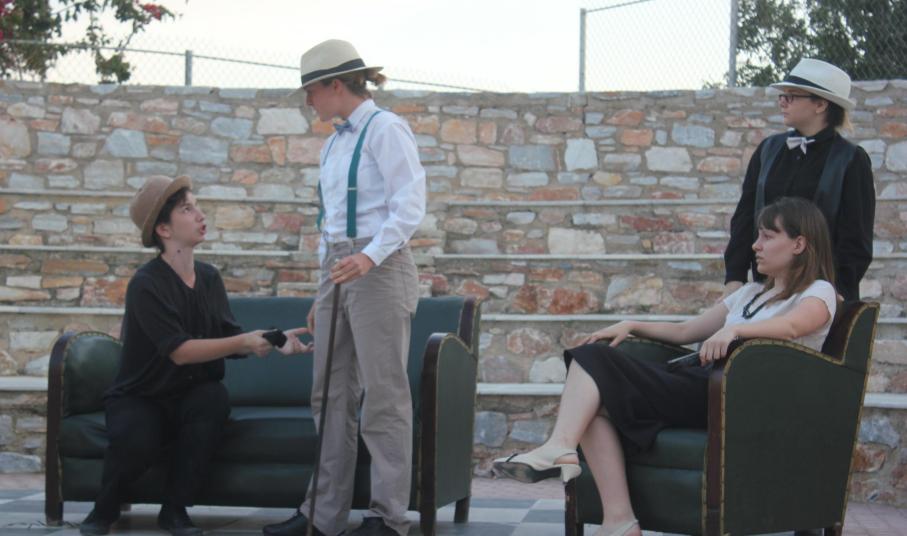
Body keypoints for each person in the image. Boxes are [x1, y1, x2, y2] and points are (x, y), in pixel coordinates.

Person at [494, 197, 839, 536]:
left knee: (596, 360)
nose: (755, 245)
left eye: (767, 236)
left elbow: (793, 326)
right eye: (758, 235)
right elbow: (685, 331)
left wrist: (735, 331)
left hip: (737, 396)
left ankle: (559, 447)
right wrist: (632, 324)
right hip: (700, 383)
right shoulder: (749, 293)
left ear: (798, 244)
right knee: (595, 406)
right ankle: (619, 520)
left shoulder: (820, 292)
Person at [79, 176, 310, 536]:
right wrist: (243, 342)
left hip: (192, 394)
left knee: (212, 398)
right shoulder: (146, 284)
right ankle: (104, 508)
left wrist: (273, 340)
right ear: (164, 229)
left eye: (196, 206)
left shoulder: (208, 277)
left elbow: (228, 335)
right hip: (142, 396)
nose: (200, 215)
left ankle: (174, 511)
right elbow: (180, 352)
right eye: (187, 209)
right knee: (137, 438)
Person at [263, 39, 425, 536]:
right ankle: (322, 515)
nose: (307, 100)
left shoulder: (386, 128)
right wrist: (323, 290)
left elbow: (410, 203)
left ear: (335, 85)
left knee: (384, 395)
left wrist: (369, 255)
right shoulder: (333, 144)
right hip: (337, 268)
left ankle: (387, 517)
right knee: (329, 393)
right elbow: (330, 222)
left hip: (380, 265)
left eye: (311, 90)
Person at [724, 58, 875, 302]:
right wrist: (734, 277)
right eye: (782, 95)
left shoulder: (851, 159)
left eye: (792, 96)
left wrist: (831, 293)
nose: (782, 101)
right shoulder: (767, 150)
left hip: (821, 292)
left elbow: (856, 237)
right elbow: (745, 217)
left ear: (820, 104)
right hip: (767, 287)